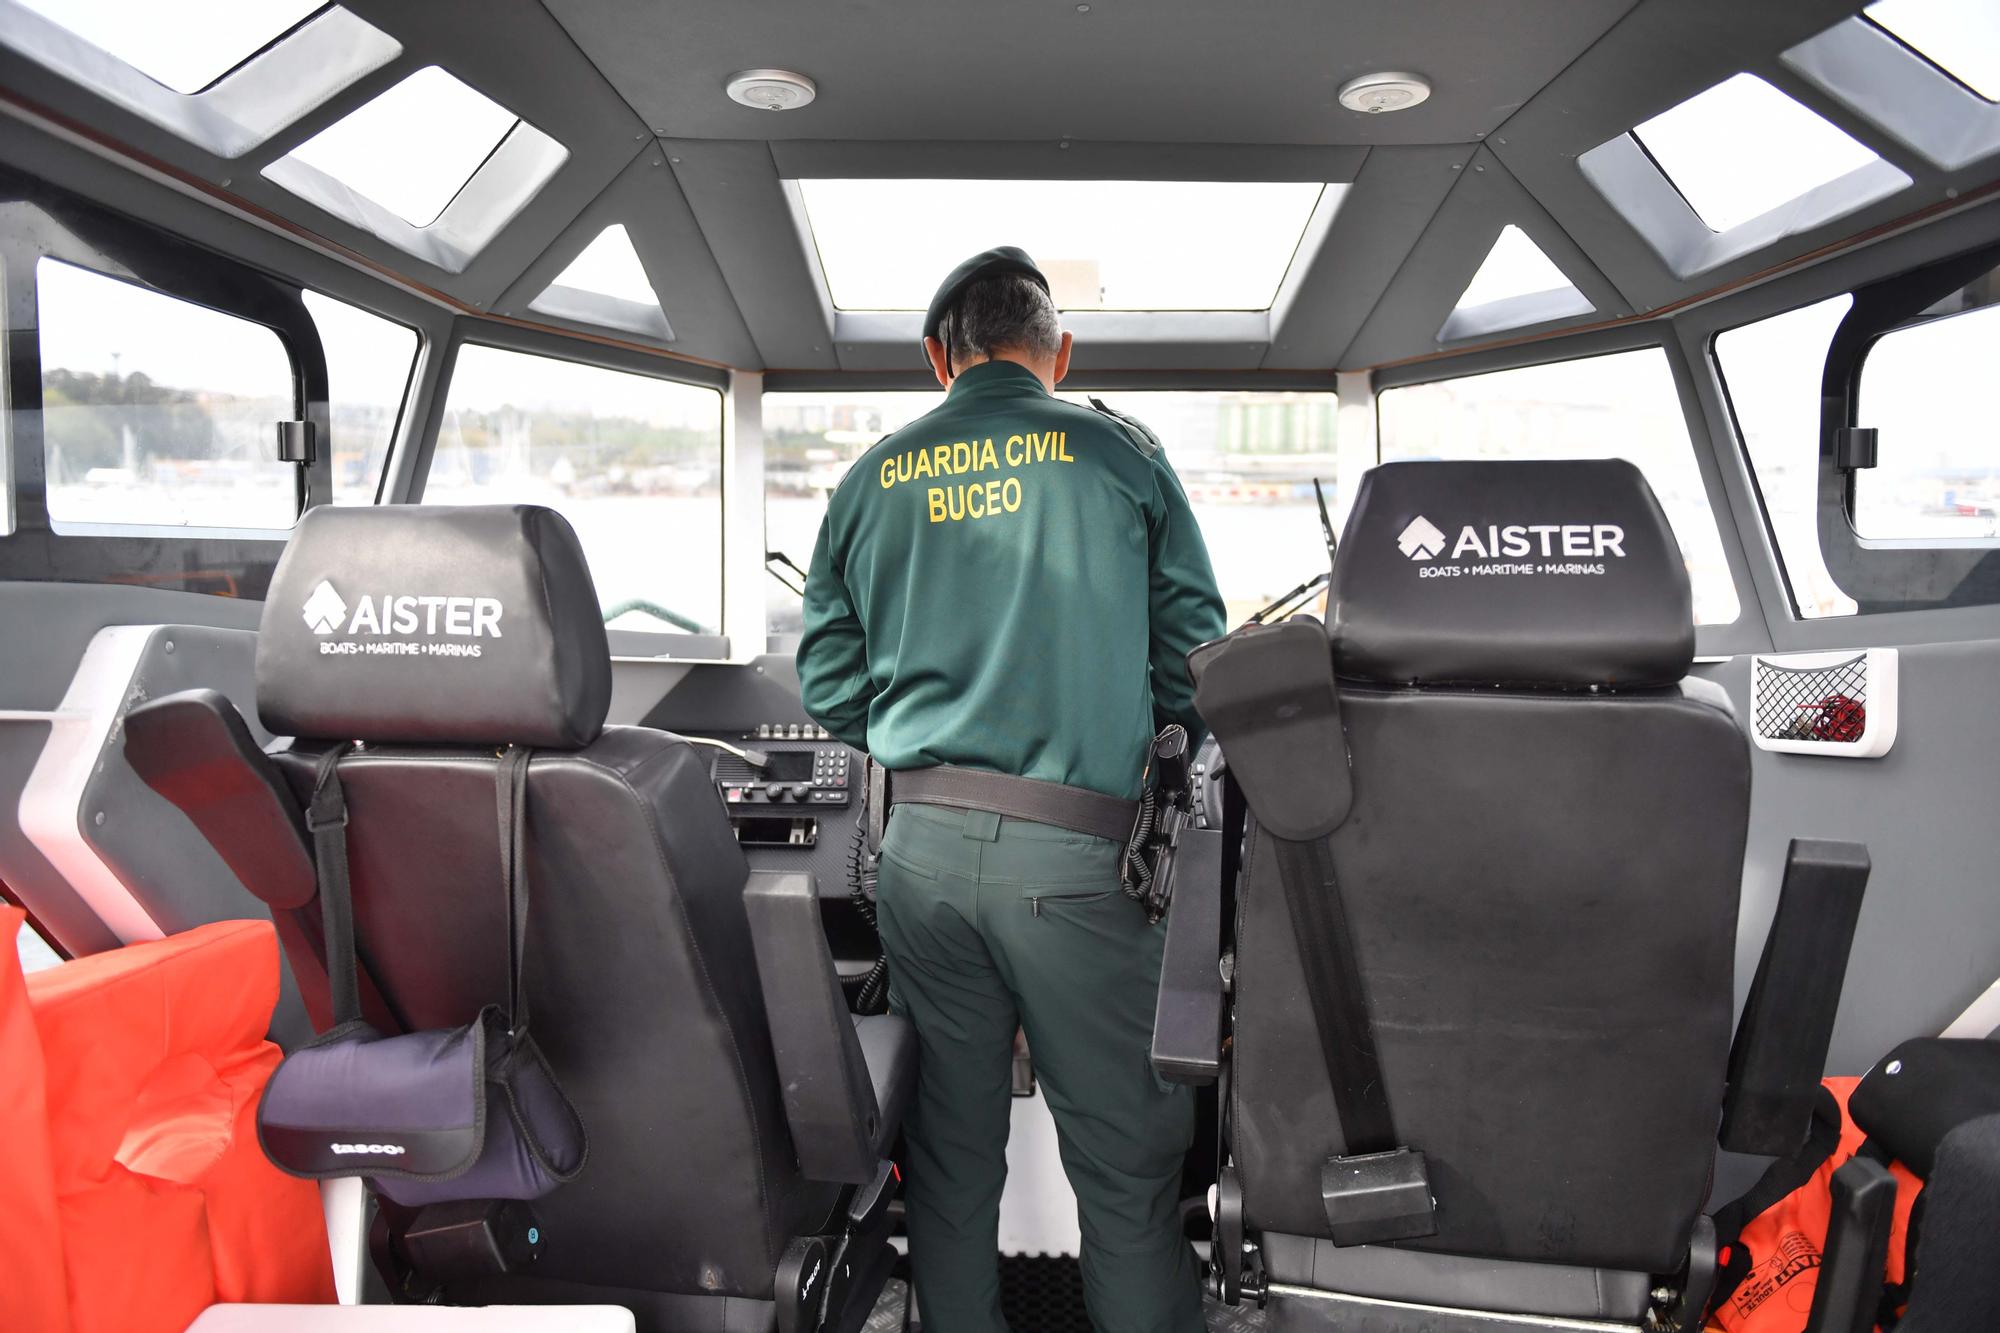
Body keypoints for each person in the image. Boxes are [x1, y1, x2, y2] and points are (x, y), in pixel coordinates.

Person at [797, 246, 1225, 1333]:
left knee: (946, 1156)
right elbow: (1194, 662)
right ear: (1057, 352)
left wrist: (920, 740)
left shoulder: (868, 478)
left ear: (939, 357)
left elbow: (830, 684)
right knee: (1124, 1169)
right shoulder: (1120, 455)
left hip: (922, 860)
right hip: (1080, 866)